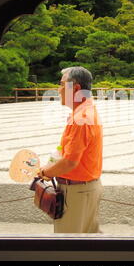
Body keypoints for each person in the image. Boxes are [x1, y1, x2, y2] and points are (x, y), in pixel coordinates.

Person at [38, 66, 103, 233]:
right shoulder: (86, 111)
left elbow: (69, 163)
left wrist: (45, 173)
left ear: (75, 88)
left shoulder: (81, 118)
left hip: (76, 192)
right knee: (87, 241)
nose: (58, 90)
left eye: (61, 84)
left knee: (68, 244)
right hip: (85, 189)